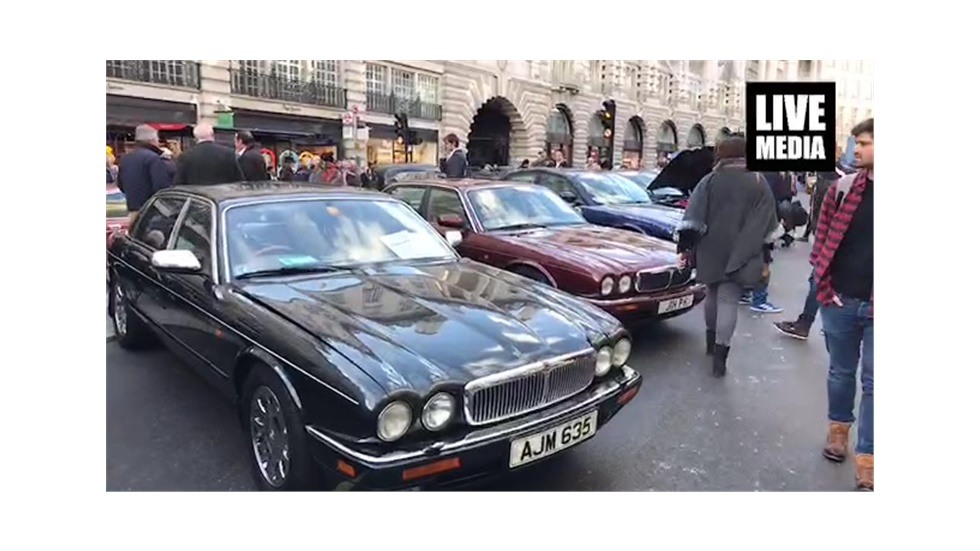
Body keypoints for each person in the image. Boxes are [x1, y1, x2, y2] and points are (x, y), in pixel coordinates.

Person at [675, 135, 779, 377]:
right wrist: (766, 255)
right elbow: (769, 225)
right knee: (728, 301)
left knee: (711, 293)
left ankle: (710, 345)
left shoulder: (709, 181)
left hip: (710, 248)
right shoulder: (758, 182)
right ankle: (720, 360)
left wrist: (684, 249)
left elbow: (692, 218)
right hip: (743, 251)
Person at [811, 118, 874, 491]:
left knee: (877, 382)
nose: (856, 149)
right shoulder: (844, 189)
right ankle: (838, 431)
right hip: (841, 299)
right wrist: (824, 288)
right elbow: (821, 242)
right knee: (841, 373)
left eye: (864, 143)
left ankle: (868, 460)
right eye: (856, 143)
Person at [116, 124, 172, 223]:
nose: (158, 142)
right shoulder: (153, 158)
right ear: (152, 140)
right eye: (157, 139)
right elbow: (161, 186)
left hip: (132, 208)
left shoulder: (125, 158)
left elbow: (120, 184)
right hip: (151, 211)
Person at [173, 124, 243, 186]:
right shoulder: (228, 153)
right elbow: (239, 180)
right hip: (222, 194)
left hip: (197, 195)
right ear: (213, 134)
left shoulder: (185, 156)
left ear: (195, 137)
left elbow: (179, 183)